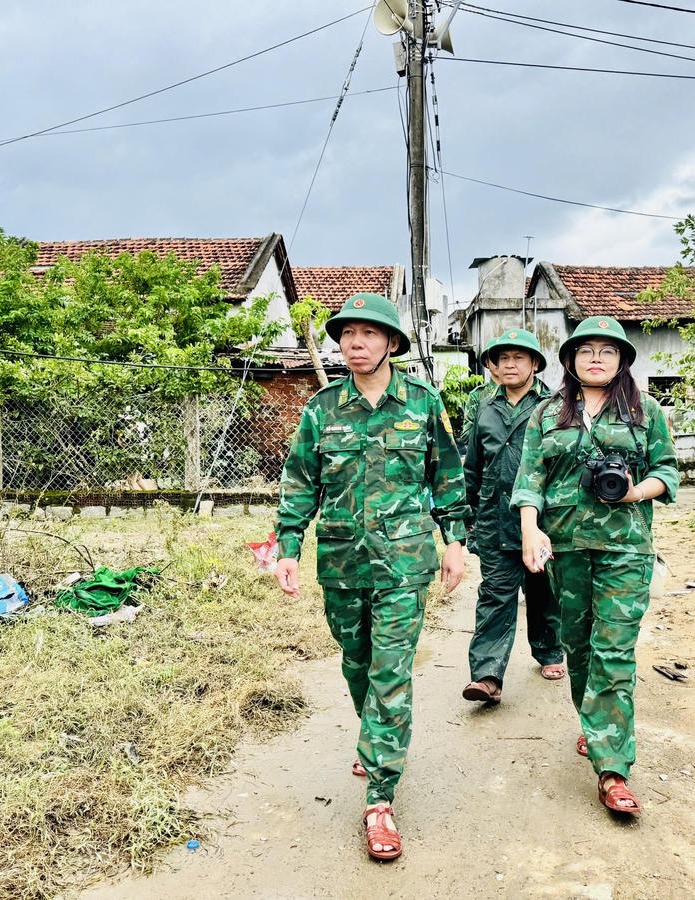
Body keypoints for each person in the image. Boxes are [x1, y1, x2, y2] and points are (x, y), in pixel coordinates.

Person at [274, 293, 470, 861]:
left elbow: (448, 479)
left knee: (390, 670)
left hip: (405, 561)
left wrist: (454, 542)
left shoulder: (423, 404)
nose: (355, 343)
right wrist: (288, 548)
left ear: (391, 343)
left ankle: (380, 796)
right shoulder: (320, 409)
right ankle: (375, 732)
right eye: (347, 334)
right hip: (341, 561)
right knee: (356, 660)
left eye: (367, 333)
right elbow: (300, 483)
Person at [511, 316, 679, 815]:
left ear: (623, 359)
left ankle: (612, 770)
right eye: (586, 351)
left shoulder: (645, 411)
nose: (597, 358)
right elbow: (529, 478)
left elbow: (667, 471)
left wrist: (634, 491)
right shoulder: (546, 413)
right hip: (564, 547)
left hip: (625, 547)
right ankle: (595, 723)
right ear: (570, 360)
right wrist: (529, 528)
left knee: (614, 649)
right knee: (579, 647)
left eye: (608, 350)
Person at [461, 328, 565, 703]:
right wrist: (468, 518)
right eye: (502, 358)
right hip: (494, 518)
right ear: (493, 365)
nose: (509, 364)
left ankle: (549, 650)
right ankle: (487, 675)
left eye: (518, 357)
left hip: (542, 520)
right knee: (495, 594)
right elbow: (472, 467)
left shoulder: (554, 405)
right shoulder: (485, 409)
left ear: (535, 364)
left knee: (543, 590)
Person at [457, 339, 501, 456]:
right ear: (487, 363)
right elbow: (466, 435)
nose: (499, 363)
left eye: (503, 358)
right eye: (494, 358)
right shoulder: (478, 395)